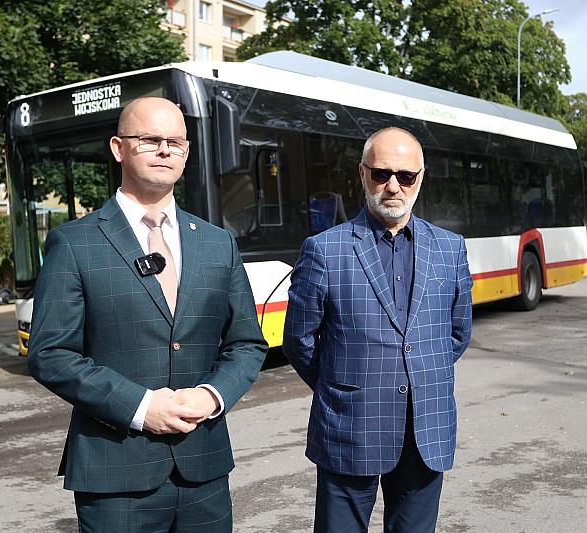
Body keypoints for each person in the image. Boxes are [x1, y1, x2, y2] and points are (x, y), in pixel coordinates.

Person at [28, 97, 267, 532]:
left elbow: (247, 344)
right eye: (150, 140)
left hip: (204, 470)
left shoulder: (218, 243)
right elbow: (51, 354)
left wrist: (211, 396)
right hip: (116, 474)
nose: (164, 150)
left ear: (187, 153)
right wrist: (141, 407)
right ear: (119, 148)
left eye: (174, 142)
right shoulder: (75, 243)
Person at [283, 127, 473, 533]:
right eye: (381, 173)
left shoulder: (450, 248)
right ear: (362, 174)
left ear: (420, 178)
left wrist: (416, 376)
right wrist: (343, 386)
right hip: (349, 426)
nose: (393, 186)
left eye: (405, 176)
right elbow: (298, 340)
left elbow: (456, 334)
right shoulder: (324, 249)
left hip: (427, 429)